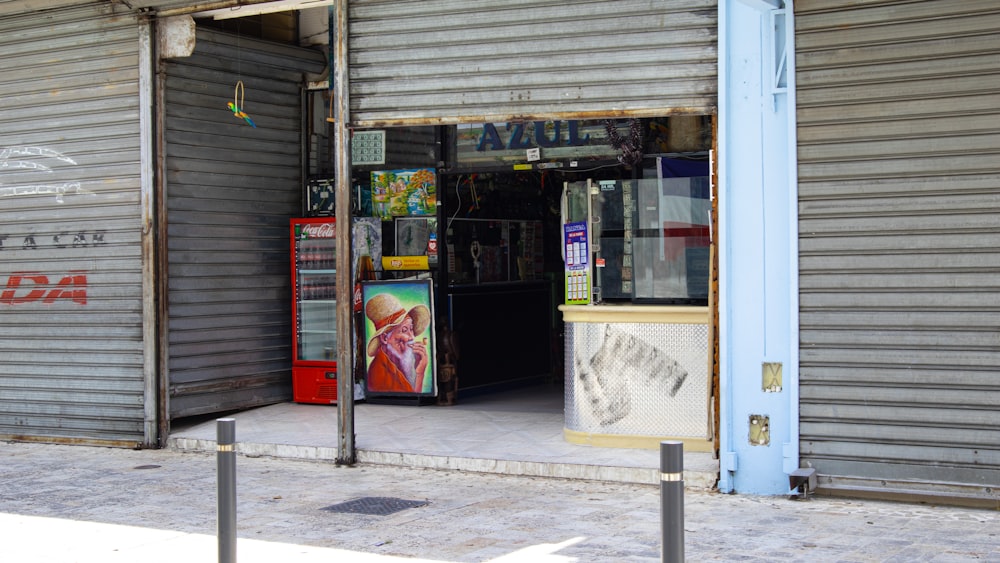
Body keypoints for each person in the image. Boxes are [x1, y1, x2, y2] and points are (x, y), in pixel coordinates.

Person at [365, 292, 430, 393]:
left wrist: (418, 369)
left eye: (411, 329)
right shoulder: (380, 373)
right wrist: (420, 374)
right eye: (404, 330)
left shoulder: (398, 361)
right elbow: (411, 397)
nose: (412, 336)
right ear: (385, 338)